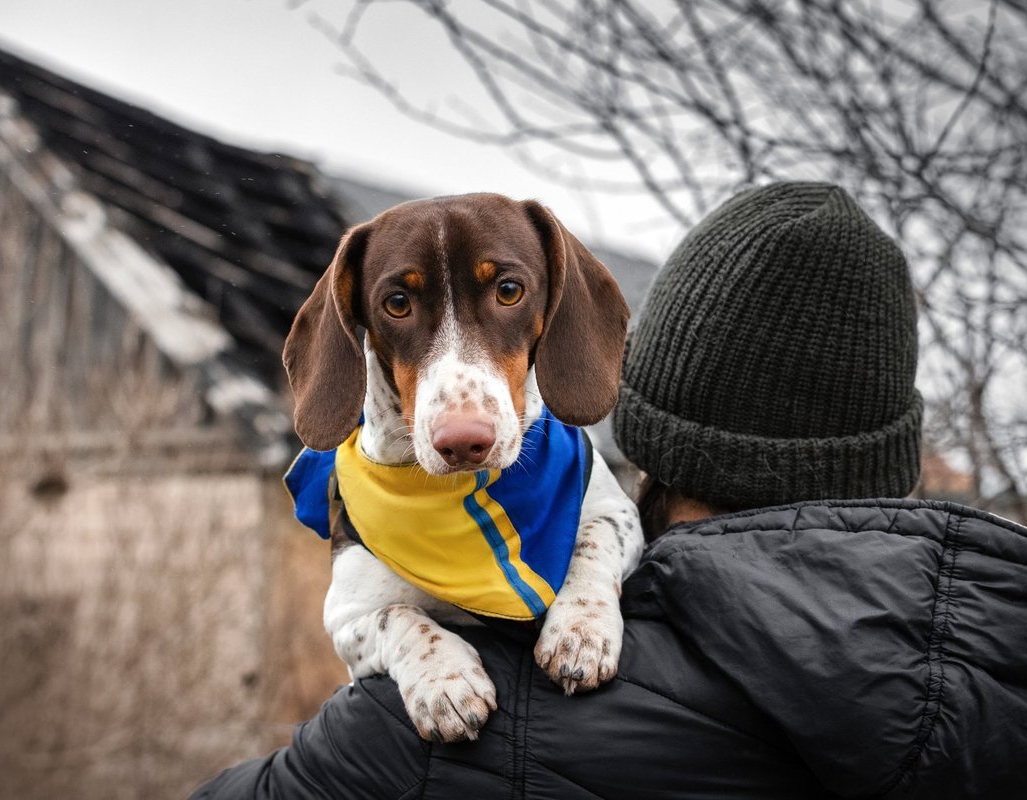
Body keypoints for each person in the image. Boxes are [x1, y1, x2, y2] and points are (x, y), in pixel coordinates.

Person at [188, 183, 1027, 799]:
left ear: (654, 454)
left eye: (507, 292)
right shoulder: (1001, 672)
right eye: (402, 306)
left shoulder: (423, 741)